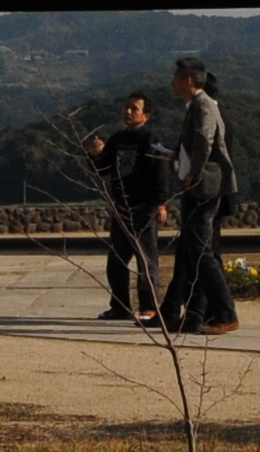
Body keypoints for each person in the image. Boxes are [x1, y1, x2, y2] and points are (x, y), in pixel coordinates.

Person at [159, 57, 239, 334]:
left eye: (176, 78)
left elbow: (205, 140)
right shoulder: (196, 105)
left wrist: (193, 172)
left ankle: (225, 313)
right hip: (198, 184)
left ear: (189, 80)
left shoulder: (203, 105)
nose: (173, 83)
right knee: (197, 250)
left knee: (202, 250)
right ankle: (205, 312)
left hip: (205, 186)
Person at [88, 91, 171, 322]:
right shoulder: (117, 139)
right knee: (116, 260)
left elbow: (160, 172)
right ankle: (120, 306)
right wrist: (94, 155)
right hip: (121, 207)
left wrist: (161, 203)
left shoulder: (151, 139)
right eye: (127, 107)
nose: (128, 112)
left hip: (144, 207)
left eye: (134, 108)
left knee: (146, 260)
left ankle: (148, 308)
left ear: (146, 115)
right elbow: (102, 169)